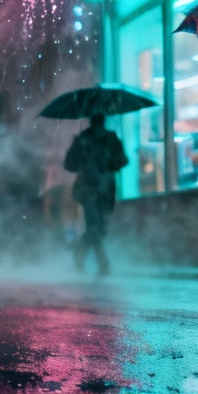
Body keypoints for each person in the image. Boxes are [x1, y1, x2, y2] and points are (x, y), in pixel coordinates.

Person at [63, 112, 128, 275]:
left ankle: (79, 254)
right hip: (89, 190)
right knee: (94, 227)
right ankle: (103, 263)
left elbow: (121, 161)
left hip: (104, 189)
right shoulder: (84, 139)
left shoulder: (109, 138)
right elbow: (70, 164)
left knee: (99, 228)